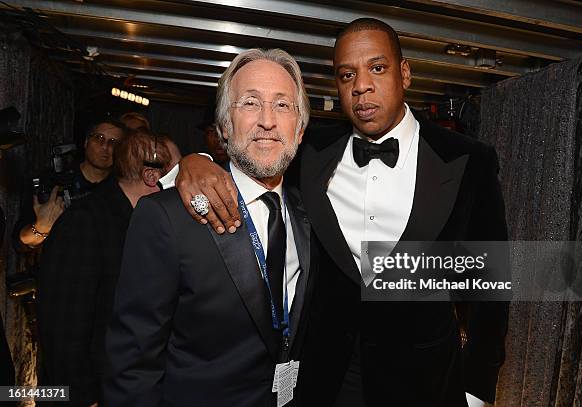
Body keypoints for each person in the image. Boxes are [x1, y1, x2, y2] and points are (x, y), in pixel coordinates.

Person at [173, 18, 508, 407]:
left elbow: (490, 285)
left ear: (405, 74)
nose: (361, 85)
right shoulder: (310, 151)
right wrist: (194, 161)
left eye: (377, 68)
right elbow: (253, 154)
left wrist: (476, 388)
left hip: (427, 379)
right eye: (347, 74)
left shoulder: (467, 159)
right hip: (328, 377)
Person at [104, 48, 316, 407]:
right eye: (250, 103)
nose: (267, 120)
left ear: (299, 129)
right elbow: (132, 365)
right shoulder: (167, 218)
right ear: (223, 127)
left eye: (282, 105)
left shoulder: (312, 215)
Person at [37, 130, 170, 407]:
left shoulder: (137, 222)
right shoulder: (86, 221)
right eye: (174, 174)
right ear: (151, 177)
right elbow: (63, 325)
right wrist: (84, 398)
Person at [14, 120, 125, 250]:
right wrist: (41, 228)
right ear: (86, 142)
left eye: (113, 142)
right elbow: (19, 241)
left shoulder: (122, 190)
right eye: (99, 138)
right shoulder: (53, 182)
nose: (105, 146)